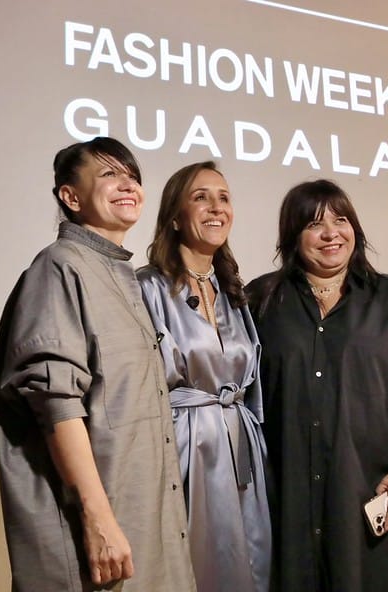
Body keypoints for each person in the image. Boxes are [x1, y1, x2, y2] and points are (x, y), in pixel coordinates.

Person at [0, 137, 196, 592]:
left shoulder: (121, 274)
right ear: (71, 196)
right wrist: (97, 519)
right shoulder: (59, 266)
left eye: (132, 176)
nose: (128, 185)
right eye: (109, 174)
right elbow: (57, 403)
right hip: (97, 531)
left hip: (145, 525)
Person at [246, 179, 388, 592]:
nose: (331, 233)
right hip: (287, 503)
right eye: (314, 224)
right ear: (293, 236)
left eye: (340, 220)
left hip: (373, 493)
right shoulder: (262, 300)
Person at [137, 161, 270, 592]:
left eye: (224, 198)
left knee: (251, 561)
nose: (216, 207)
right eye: (200, 197)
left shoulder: (233, 291)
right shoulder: (147, 287)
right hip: (184, 446)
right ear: (175, 217)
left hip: (243, 447)